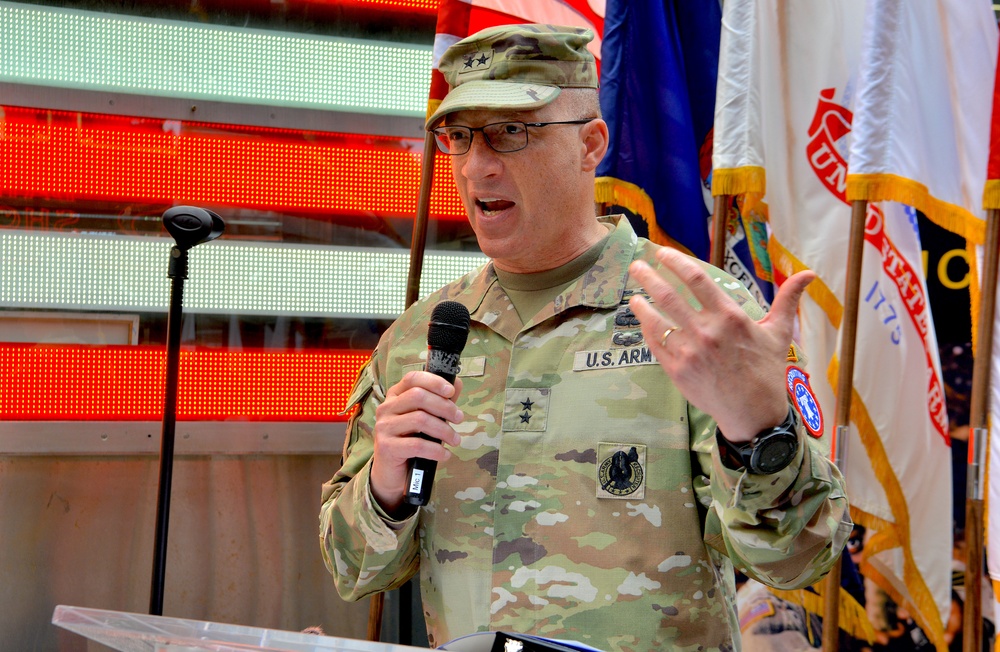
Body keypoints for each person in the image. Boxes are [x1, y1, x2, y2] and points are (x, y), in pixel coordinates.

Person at [319, 23, 851, 651]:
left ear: (591, 143)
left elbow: (799, 559)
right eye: (459, 136)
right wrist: (385, 488)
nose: (477, 165)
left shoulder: (694, 317)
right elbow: (352, 571)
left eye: (511, 132)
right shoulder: (420, 338)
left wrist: (761, 433)